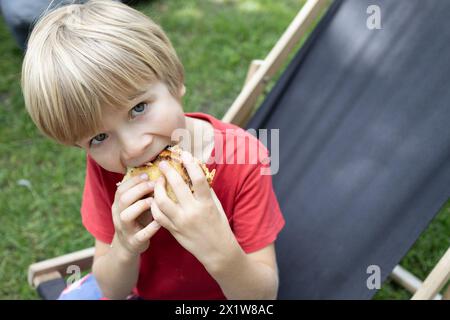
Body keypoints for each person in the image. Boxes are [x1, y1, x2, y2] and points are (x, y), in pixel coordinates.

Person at [21, 0, 285, 300]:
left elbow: (262, 297)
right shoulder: (106, 168)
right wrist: (124, 245)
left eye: (139, 108)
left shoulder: (245, 158)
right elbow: (113, 290)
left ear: (175, 81)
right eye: (99, 137)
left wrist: (219, 248)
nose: (134, 148)